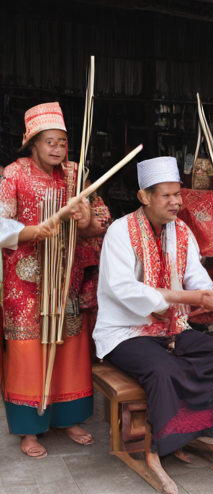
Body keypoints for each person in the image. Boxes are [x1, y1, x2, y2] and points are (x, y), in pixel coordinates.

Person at [93, 156, 213, 494]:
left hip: (174, 328)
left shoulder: (182, 230)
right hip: (126, 332)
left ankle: (189, 432)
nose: (177, 202)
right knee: (164, 370)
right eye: (167, 195)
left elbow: (194, 274)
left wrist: (207, 293)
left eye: (178, 194)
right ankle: (158, 447)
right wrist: (188, 296)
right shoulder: (120, 231)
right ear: (144, 197)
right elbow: (124, 289)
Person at [0, 102, 106, 460]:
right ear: (32, 142)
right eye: (50, 142)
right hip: (26, 280)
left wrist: (86, 216)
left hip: (67, 275)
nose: (58, 149)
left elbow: (102, 219)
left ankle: (68, 418)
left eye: (63, 142)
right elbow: (0, 223)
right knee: (29, 350)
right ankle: (29, 429)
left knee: (69, 345)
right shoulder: (13, 174)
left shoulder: (75, 174)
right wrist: (33, 230)